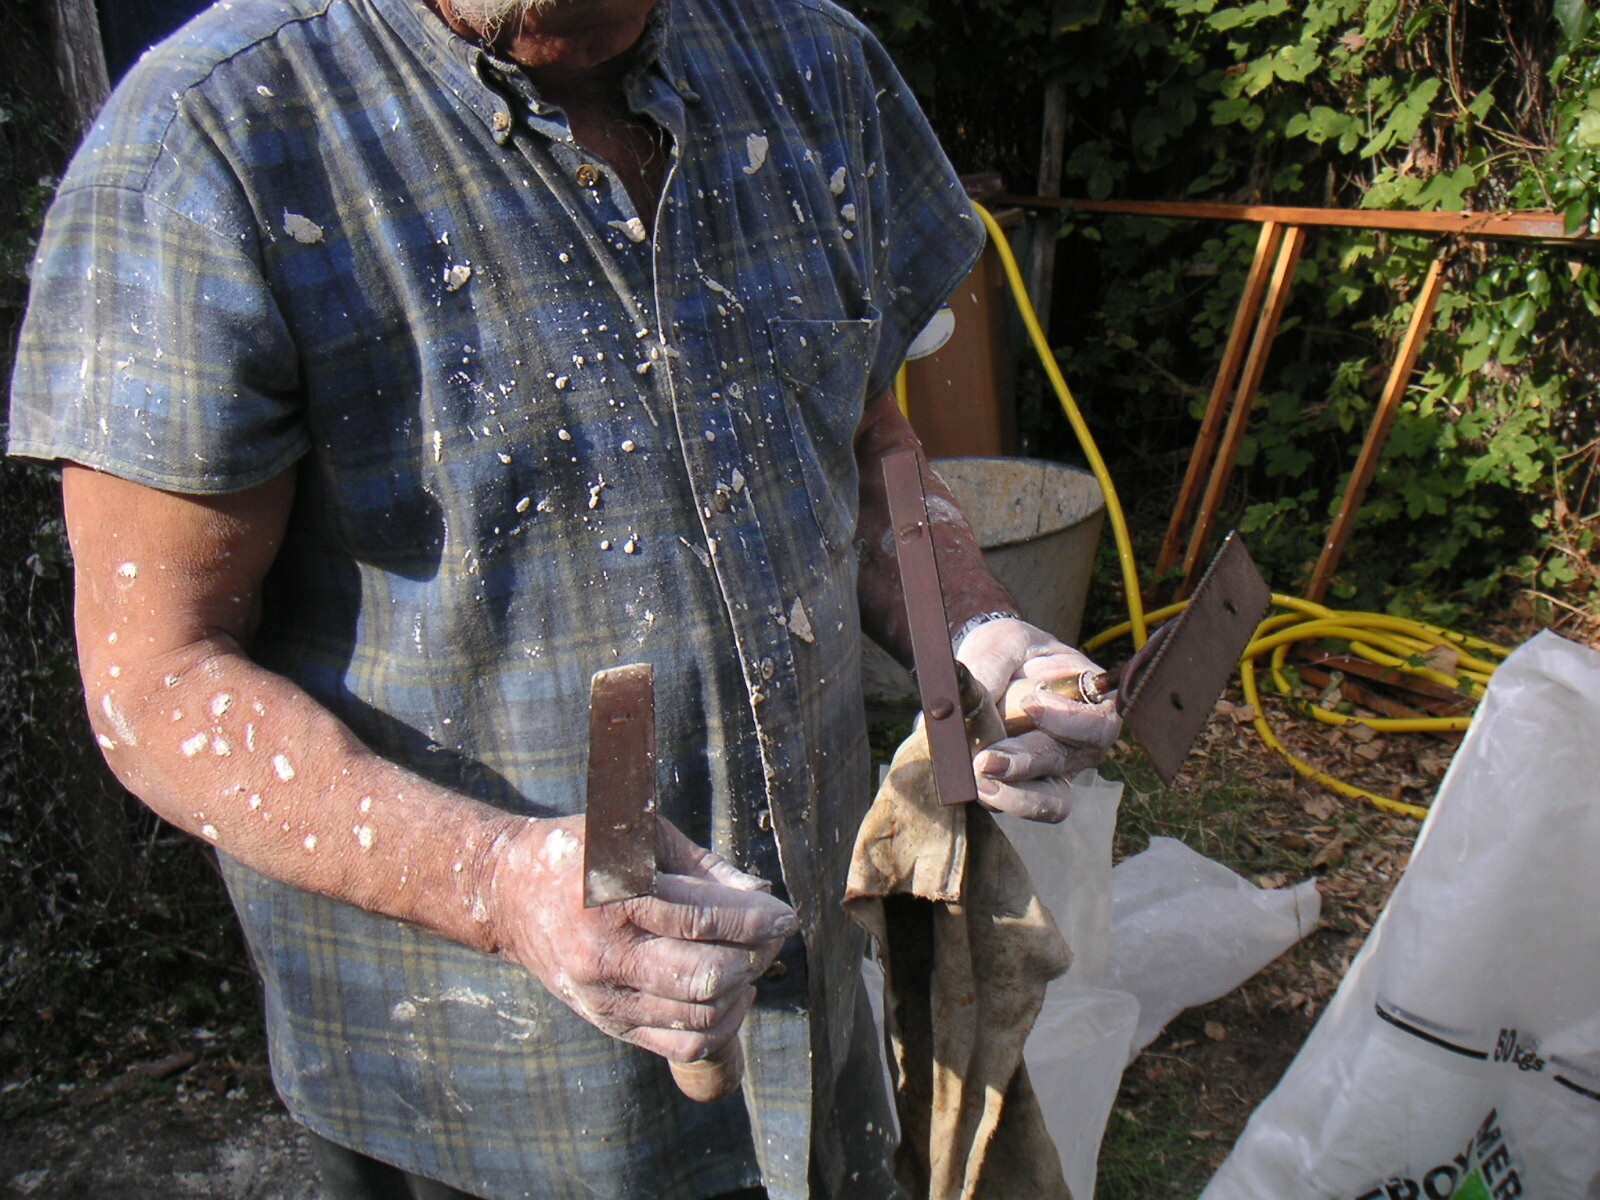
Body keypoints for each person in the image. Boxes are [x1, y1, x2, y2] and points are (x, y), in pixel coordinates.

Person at [9, 0, 1119, 1197]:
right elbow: (154, 681)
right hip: (479, 1099)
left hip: (815, 1023)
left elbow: (862, 445)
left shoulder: (812, 63)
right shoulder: (215, 135)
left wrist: (972, 628)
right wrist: (498, 883)